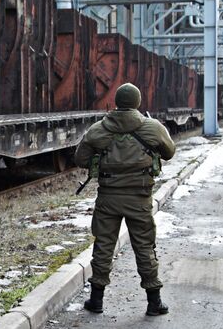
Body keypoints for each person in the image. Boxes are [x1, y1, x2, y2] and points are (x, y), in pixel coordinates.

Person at [74, 83, 176, 316]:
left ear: (117, 102)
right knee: (144, 247)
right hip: (139, 198)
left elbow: (80, 158)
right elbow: (170, 152)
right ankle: (154, 302)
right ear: (138, 102)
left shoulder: (99, 129)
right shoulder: (153, 128)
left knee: (103, 246)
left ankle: (96, 300)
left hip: (108, 198)